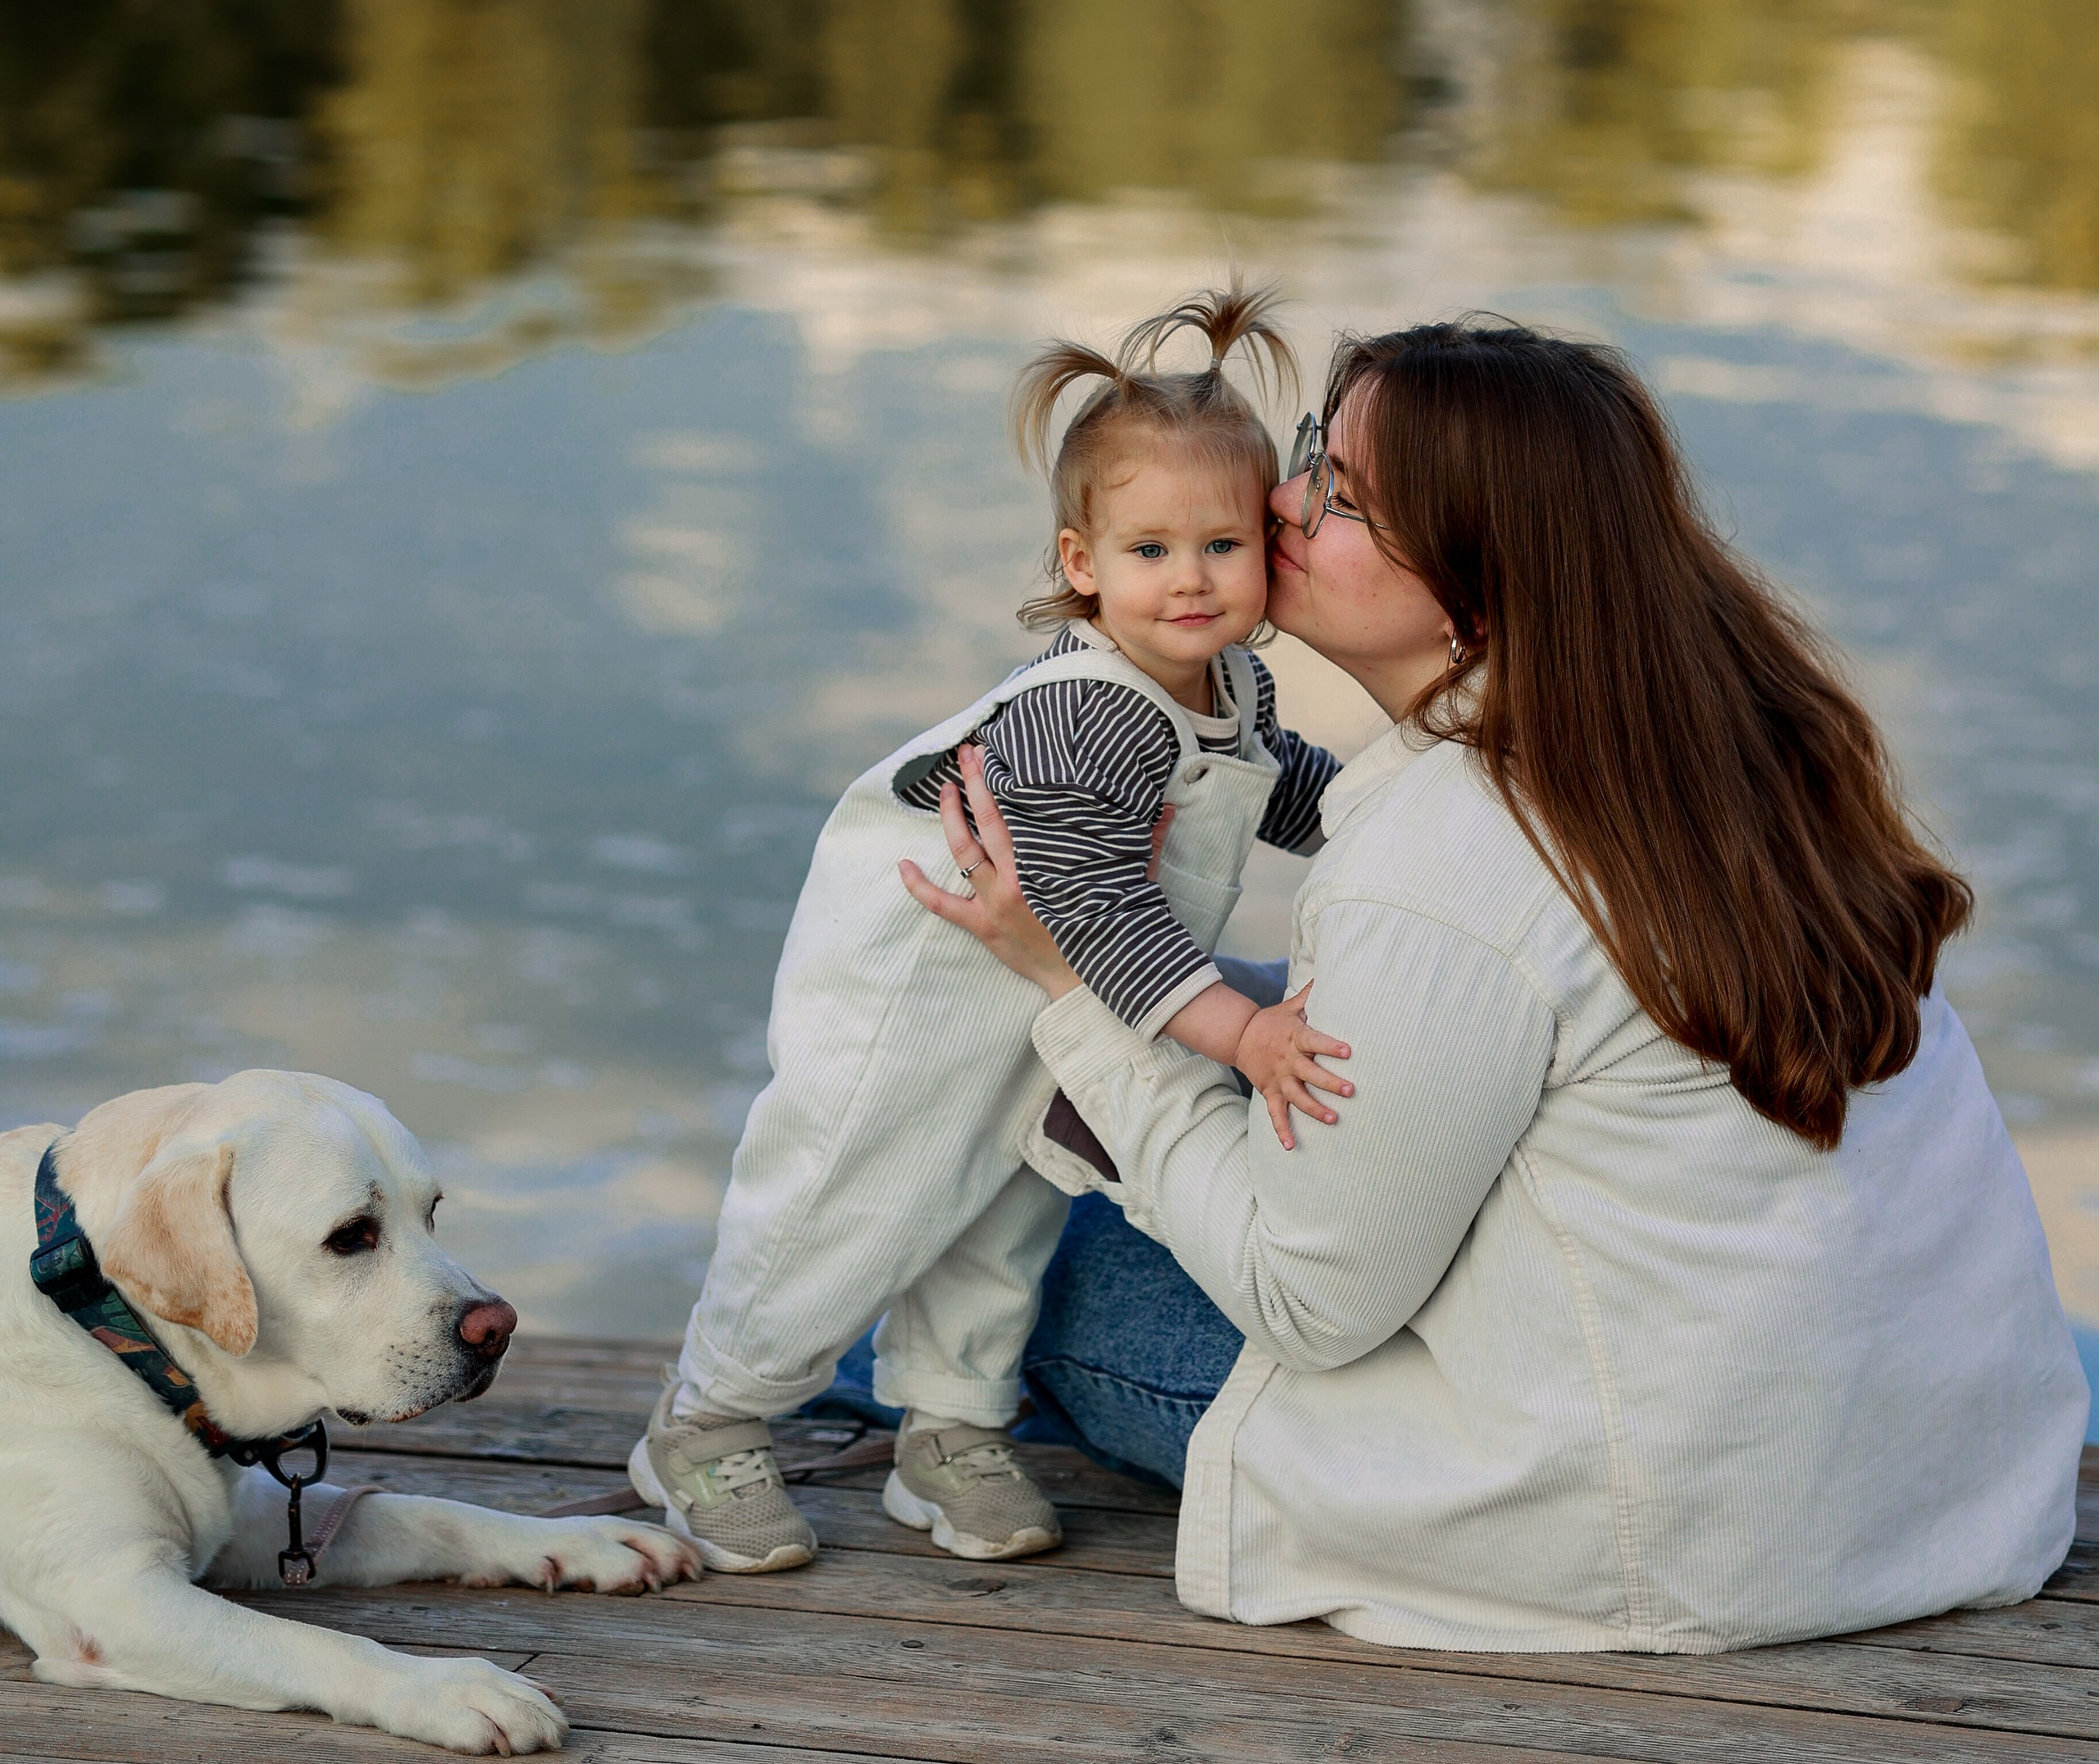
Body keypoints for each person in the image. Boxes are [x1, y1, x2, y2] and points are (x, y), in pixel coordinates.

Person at [907, 317, 2088, 1650]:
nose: (1276, 503)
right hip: (1943, 1483)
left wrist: (1070, 993)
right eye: (1313, 457)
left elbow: (1312, 1300)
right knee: (1162, 1075)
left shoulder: (1453, 851)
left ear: (1478, 585)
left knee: (988, 1232)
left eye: (1340, 495)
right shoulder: (1727, 749)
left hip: (1653, 1527)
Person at [631, 290, 1349, 1574]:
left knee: (1013, 1207)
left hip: (1056, 1006)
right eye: (1148, 552)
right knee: (854, 1197)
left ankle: (951, 1427)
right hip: (927, 994)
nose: (1189, 578)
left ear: (1266, 556)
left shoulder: (1229, 685)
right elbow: (1102, 910)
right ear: (1082, 564)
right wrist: (1241, 1036)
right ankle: (708, 1416)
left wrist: (1393, 823)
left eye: (1222, 546)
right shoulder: (1087, 715)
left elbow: (1286, 784)